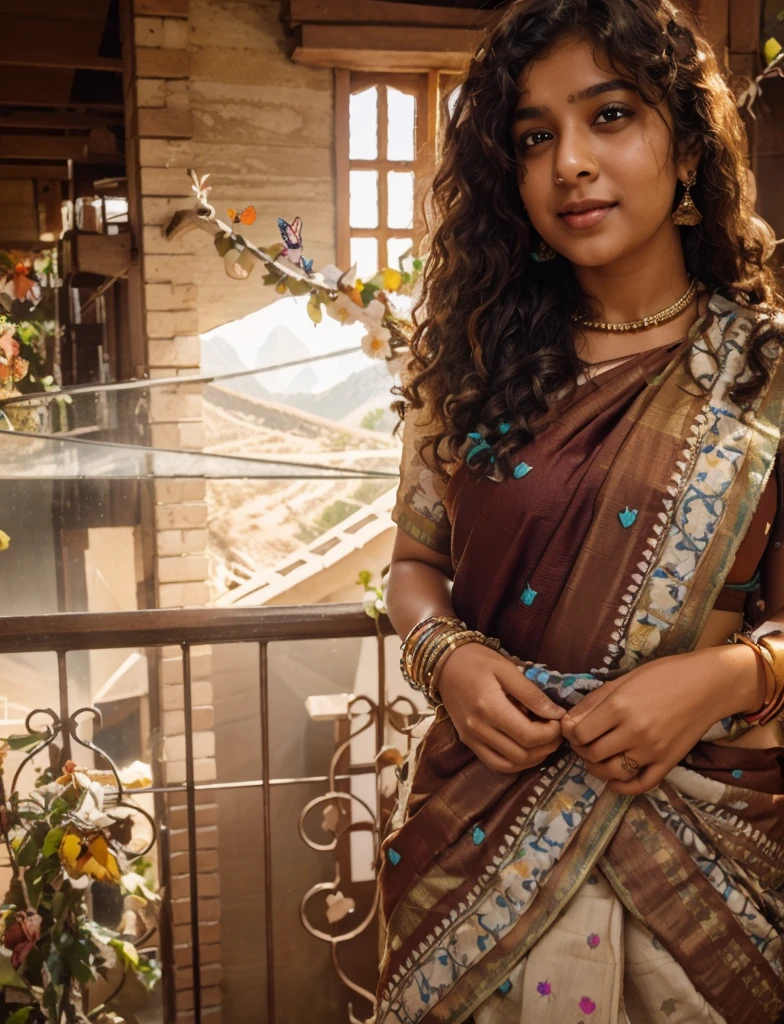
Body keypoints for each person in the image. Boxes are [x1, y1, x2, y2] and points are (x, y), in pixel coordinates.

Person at [373, 1, 784, 1021]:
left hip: (708, 869)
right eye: (533, 137)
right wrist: (447, 660)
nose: (570, 163)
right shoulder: (468, 370)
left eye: (610, 117)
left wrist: (725, 676)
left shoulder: (770, 376)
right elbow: (411, 565)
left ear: (686, 149)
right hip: (478, 834)